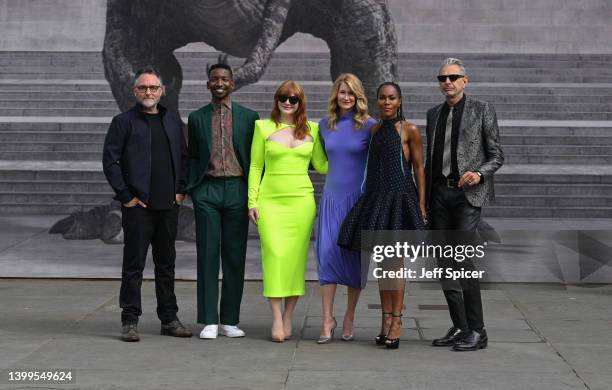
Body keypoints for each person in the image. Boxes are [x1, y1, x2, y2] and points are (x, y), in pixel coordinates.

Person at [102, 67, 191, 342]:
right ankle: (129, 320)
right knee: (134, 266)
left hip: (168, 207)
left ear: (161, 91)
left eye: (153, 88)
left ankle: (169, 318)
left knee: (166, 265)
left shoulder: (173, 121)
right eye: (143, 88)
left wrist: (180, 191)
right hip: (138, 208)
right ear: (135, 91)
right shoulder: (123, 122)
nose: (149, 92)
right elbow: (110, 161)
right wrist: (126, 196)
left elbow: (185, 157)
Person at [338, 82, 427, 349]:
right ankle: (385, 320)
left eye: (392, 98)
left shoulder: (408, 130)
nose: (387, 102)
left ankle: (397, 321)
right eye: (382, 98)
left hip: (400, 200)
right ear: (377, 101)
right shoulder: (375, 129)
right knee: (382, 265)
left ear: (399, 101)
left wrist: (422, 205)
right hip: (377, 199)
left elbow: (420, 169)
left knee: (395, 265)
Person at [426, 58, 504, 351]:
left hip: (467, 197)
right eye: (442, 78)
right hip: (438, 195)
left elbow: (497, 155)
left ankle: (478, 330)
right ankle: (460, 326)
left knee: (463, 260)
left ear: (465, 80)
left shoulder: (482, 110)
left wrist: (479, 173)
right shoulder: (433, 114)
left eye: (453, 77)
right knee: (444, 263)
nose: (447, 82)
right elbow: (432, 159)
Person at [248, 80, 328, 342]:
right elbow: (255, 167)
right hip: (270, 201)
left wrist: (352, 155)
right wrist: (252, 202)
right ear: (277, 99)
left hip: (301, 202)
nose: (288, 102)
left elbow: (321, 165)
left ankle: (288, 317)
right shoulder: (262, 127)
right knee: (273, 256)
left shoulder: (313, 130)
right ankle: (275, 317)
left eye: (294, 98)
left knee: (295, 261)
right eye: (283, 96)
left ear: (300, 101)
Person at [187, 64, 260, 339]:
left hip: (238, 189)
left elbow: (255, 159)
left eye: (225, 79)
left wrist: (254, 193)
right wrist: (193, 188)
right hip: (207, 189)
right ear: (208, 84)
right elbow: (193, 156)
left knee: (234, 255)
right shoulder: (196, 118)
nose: (219, 83)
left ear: (232, 83)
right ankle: (208, 319)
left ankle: (229, 319)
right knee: (206, 254)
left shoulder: (249, 117)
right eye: (214, 79)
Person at [315, 74, 376, 344]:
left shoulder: (370, 126)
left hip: (357, 203)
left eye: (351, 93)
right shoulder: (324, 125)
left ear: (359, 96)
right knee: (326, 258)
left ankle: (349, 316)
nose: (347, 97)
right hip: (330, 200)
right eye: (342, 92)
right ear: (335, 95)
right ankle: (327, 319)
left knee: (354, 262)